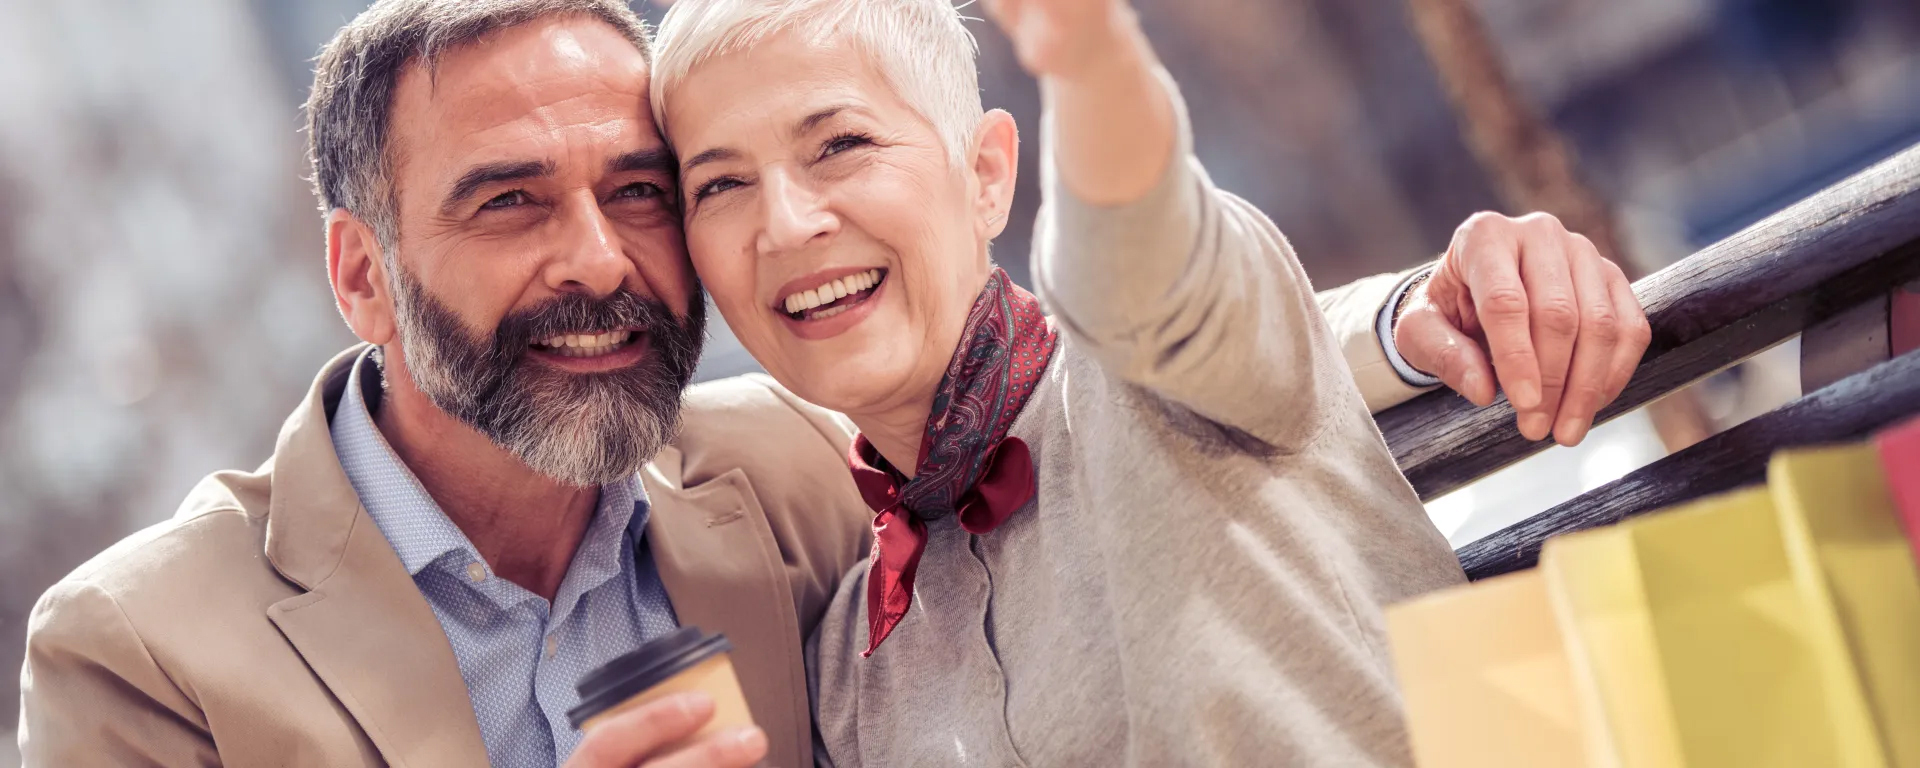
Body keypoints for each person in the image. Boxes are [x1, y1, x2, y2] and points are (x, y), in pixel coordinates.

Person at [16, 1, 1647, 767]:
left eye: (641, 189)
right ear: (362, 271)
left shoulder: (780, 479)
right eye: (509, 201)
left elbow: (1146, 313)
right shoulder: (142, 647)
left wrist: (1422, 322)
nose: (598, 258)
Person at [648, 0, 1649, 765]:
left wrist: (1090, 62)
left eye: (841, 145)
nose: (784, 222)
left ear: (988, 175)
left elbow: (1137, 260)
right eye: (721, 185)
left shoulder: (1163, 370)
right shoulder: (844, 680)